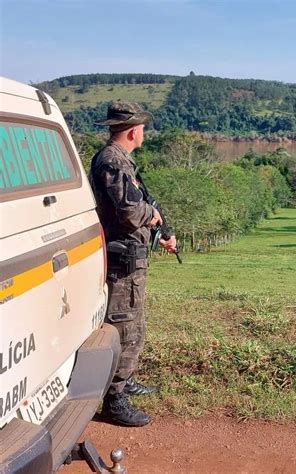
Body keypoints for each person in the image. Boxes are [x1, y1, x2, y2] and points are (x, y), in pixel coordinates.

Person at [89, 102, 176, 427]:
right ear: (133, 130)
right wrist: (151, 216)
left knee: (134, 326)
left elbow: (136, 201)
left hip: (131, 256)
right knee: (124, 328)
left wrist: (160, 227)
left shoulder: (122, 162)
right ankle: (113, 400)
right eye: (142, 128)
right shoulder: (112, 161)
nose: (144, 133)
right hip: (121, 259)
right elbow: (129, 211)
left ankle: (124, 382)